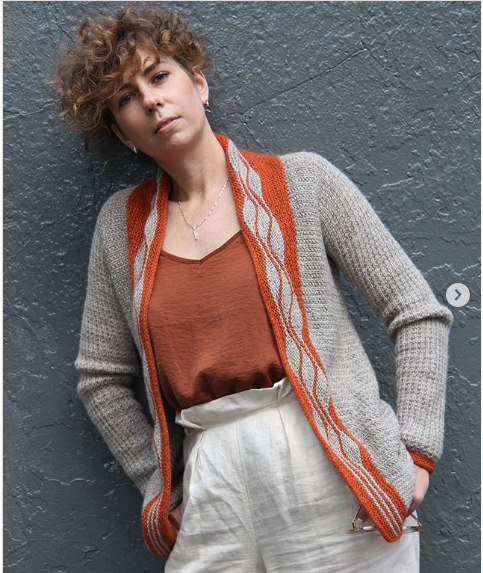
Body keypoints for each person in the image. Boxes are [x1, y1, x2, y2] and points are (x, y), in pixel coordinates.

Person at [52, 5, 454, 572]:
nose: (151, 101)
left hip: (331, 467)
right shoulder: (121, 228)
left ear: (198, 83)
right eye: (126, 98)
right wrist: (158, 487)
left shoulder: (302, 183)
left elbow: (415, 311)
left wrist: (415, 453)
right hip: (209, 477)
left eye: (159, 76)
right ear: (123, 133)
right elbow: (101, 378)